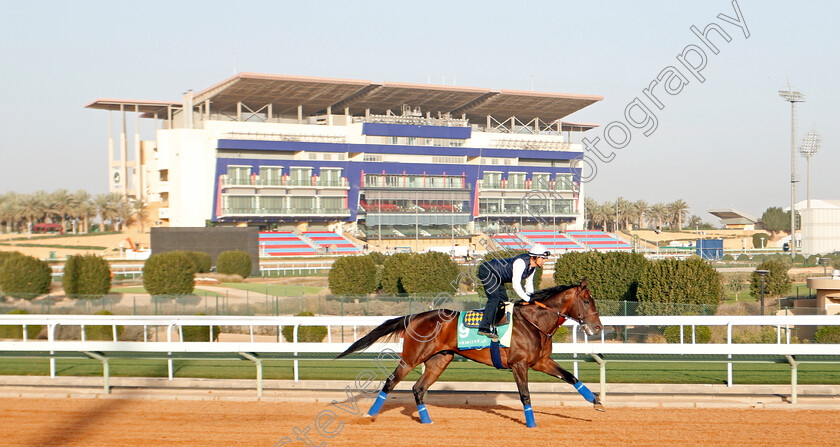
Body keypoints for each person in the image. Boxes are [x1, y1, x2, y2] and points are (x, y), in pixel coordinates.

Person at [476, 243, 550, 341]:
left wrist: (531, 298)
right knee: (494, 298)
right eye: (542, 258)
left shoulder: (532, 268)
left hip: (498, 276)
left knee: (504, 301)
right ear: (534, 257)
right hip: (487, 271)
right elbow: (516, 285)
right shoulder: (520, 263)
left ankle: (495, 325)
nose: (544, 261)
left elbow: (529, 285)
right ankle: (483, 327)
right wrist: (528, 299)